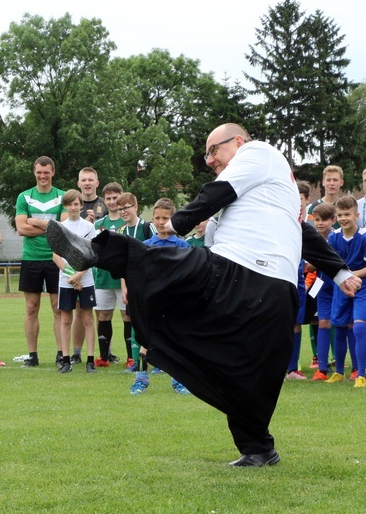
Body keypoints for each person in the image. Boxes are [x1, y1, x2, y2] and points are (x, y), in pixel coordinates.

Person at [46, 123, 361, 467]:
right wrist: (341, 271)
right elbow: (301, 232)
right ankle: (258, 449)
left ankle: (95, 252)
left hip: (240, 272)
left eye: (214, 150)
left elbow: (216, 192)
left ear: (238, 142)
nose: (210, 159)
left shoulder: (257, 153)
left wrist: (177, 223)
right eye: (207, 154)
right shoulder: (274, 194)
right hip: (273, 296)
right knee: (243, 372)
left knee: (166, 260)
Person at [128, 197, 191, 395]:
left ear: (173, 219)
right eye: (157, 218)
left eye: (165, 218)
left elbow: (189, 274)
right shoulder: (146, 245)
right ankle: (140, 380)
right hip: (152, 302)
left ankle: (179, 381)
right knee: (146, 342)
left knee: (176, 342)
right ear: (152, 219)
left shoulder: (182, 246)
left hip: (175, 302)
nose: (161, 222)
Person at [15, 156, 67, 368]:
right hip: (31, 259)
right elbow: (20, 229)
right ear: (34, 172)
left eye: (46, 172)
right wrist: (49, 226)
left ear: (53, 172)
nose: (43, 176)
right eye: (39, 172)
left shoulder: (62, 196)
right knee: (31, 307)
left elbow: (63, 230)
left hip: (55, 259)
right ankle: (33, 355)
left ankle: (60, 354)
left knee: (57, 308)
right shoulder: (24, 197)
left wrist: (34, 222)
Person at [52, 190, 97, 373]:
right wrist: (72, 276)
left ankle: (90, 361)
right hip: (66, 281)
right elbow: (56, 256)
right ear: (65, 206)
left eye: (76, 204)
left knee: (87, 319)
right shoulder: (60, 227)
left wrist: (79, 276)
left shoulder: (88, 227)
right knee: (66, 319)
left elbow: (92, 254)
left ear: (81, 205)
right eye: (70, 204)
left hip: (85, 279)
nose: (73, 207)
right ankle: (65, 360)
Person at [326, 196, 366, 387]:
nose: (343, 218)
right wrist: (344, 279)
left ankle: (361, 374)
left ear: (356, 215)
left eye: (347, 214)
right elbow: (329, 264)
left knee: (359, 327)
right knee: (339, 327)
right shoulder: (333, 237)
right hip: (341, 288)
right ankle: (339, 372)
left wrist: (351, 276)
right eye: (340, 214)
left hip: (362, 287)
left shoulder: (364, 236)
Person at [70, 167, 109, 364]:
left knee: (102, 312)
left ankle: (104, 352)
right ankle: (76, 352)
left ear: (97, 182)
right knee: (79, 311)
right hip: (79, 267)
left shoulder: (105, 204)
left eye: (90, 180)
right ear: (78, 183)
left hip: (100, 266)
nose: (87, 183)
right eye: (83, 180)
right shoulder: (72, 204)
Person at [117, 192, 157, 372]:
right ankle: (135, 361)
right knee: (135, 322)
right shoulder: (121, 232)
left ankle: (158, 362)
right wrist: (124, 287)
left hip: (151, 282)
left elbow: (158, 253)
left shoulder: (149, 227)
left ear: (135, 207)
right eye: (119, 209)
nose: (123, 211)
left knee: (155, 322)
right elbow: (122, 263)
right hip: (133, 284)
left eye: (126, 207)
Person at [93, 182, 126, 367]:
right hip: (103, 278)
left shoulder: (127, 222)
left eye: (115, 198)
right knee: (103, 316)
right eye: (109, 198)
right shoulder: (99, 224)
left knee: (127, 316)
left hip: (123, 280)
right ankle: (104, 357)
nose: (112, 202)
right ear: (104, 201)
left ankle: (131, 356)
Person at [309, 203, 337, 381]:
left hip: (339, 286)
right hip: (322, 287)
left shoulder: (338, 237)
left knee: (348, 326)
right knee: (323, 324)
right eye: (317, 220)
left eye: (324, 220)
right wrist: (319, 259)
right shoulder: (312, 239)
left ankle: (355, 368)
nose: (320, 223)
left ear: (333, 220)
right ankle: (322, 369)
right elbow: (309, 265)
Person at [286, 181, 310, 380]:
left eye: (300, 199)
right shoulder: (282, 219)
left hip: (299, 277)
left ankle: (293, 369)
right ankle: (277, 368)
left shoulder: (308, 225)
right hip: (281, 276)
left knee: (296, 322)